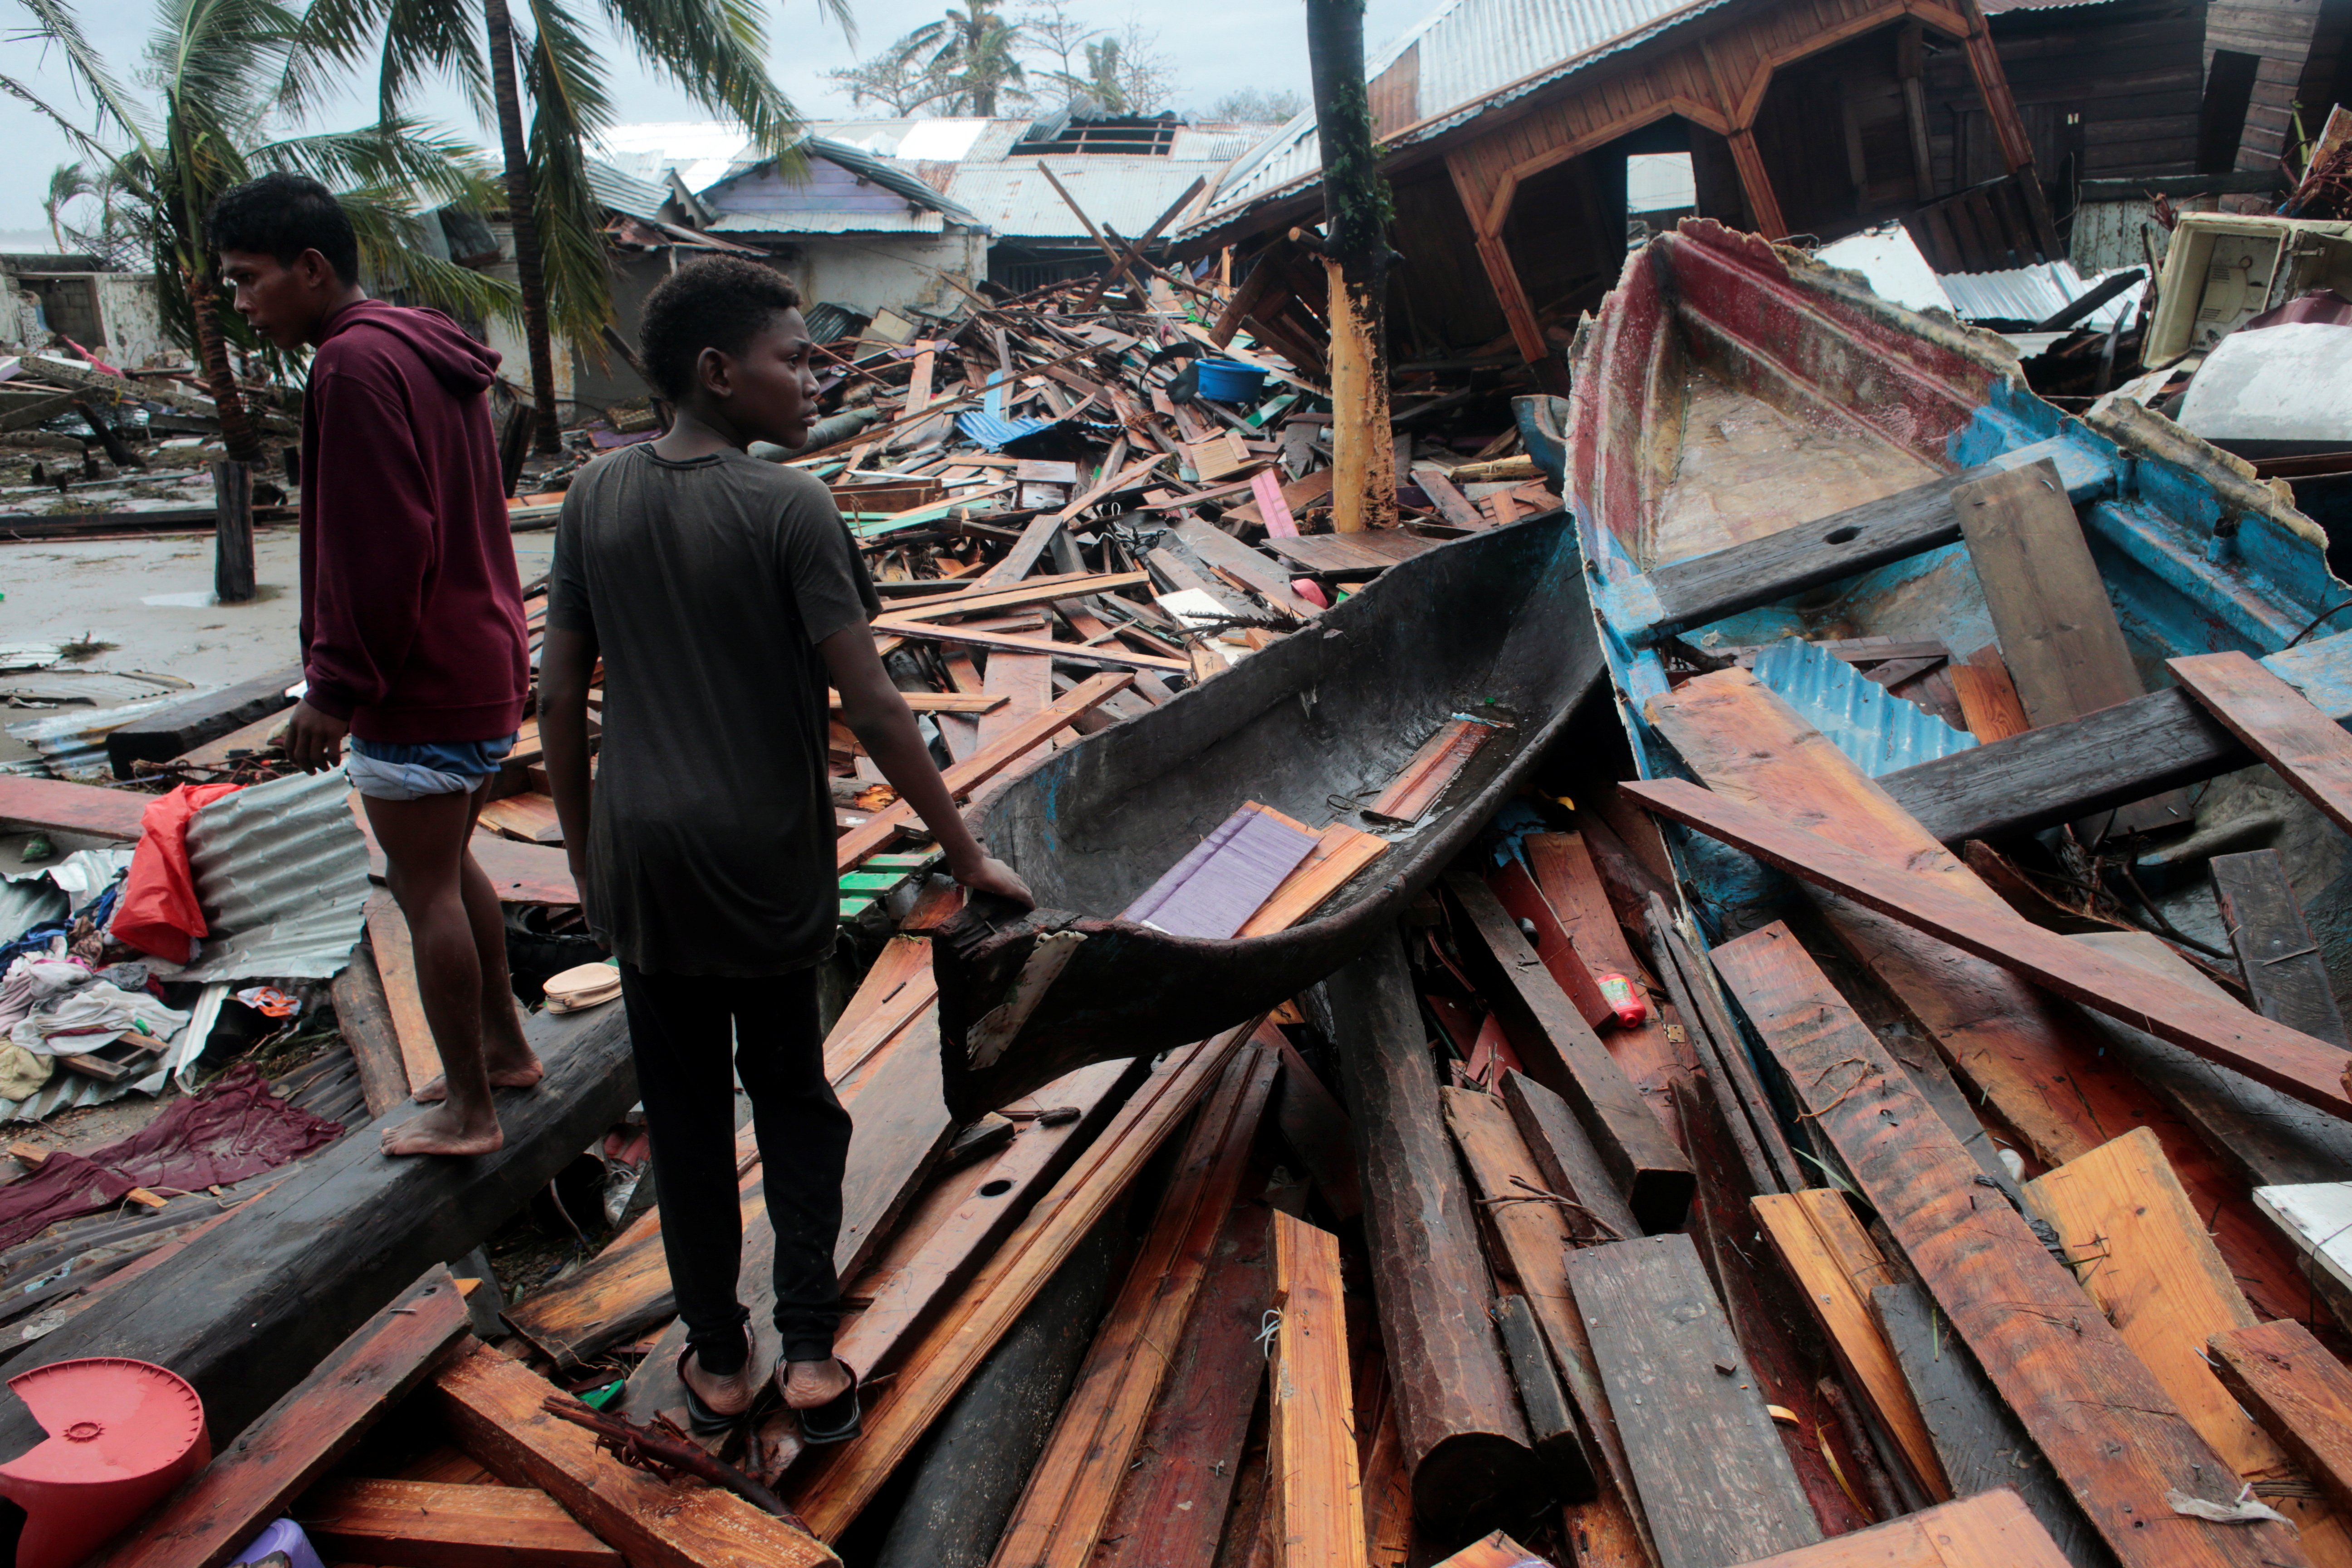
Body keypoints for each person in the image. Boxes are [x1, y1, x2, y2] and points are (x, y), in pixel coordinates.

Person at [537, 255, 1033, 1444]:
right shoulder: (789, 511)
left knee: (687, 1112)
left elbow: (556, 698)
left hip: (643, 863)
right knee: (798, 1104)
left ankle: (716, 1351)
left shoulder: (593, 504)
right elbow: (871, 706)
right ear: (718, 373)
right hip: (761, 861)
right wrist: (966, 857)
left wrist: (583, 854)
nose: (816, 378)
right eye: (792, 358)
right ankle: (808, 1348)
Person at [210, 172, 542, 1159]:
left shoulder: (353, 369)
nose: (240, 302)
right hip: (480, 655)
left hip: (420, 675)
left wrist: (336, 691)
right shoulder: (416, 343)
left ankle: (470, 1111)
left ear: (312, 269)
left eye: (248, 278)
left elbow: (380, 548)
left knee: (422, 887)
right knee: (449, 865)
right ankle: (506, 1053)